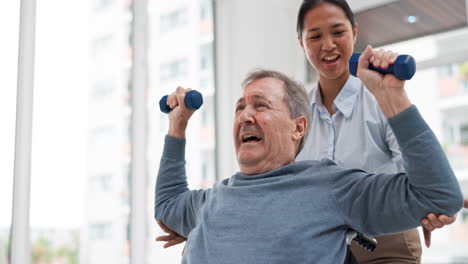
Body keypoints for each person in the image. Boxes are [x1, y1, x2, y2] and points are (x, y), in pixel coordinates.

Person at [157, 1, 468, 263]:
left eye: (261, 105)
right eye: (240, 107)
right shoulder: (216, 199)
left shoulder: (369, 113)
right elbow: (169, 205)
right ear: (301, 42)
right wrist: (177, 126)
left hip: (382, 234)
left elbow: (432, 191)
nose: (246, 115)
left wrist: (417, 204)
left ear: (298, 127)